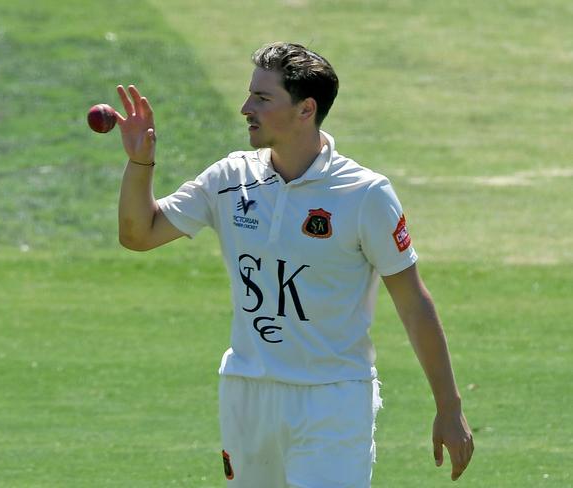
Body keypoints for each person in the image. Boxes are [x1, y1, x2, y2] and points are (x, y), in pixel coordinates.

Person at [114, 42, 474, 487]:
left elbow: (413, 302)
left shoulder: (365, 194)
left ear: (306, 109)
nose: (246, 107)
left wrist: (449, 407)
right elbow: (138, 234)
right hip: (247, 391)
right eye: (250, 95)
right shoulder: (230, 178)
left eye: (263, 99)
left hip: (333, 398)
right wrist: (139, 161)